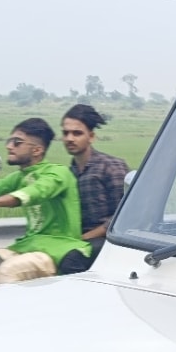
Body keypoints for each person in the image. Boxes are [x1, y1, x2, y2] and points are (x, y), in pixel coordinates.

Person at [0, 118, 87, 283]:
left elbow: (34, 192)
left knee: (7, 272)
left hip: (57, 249)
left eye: (17, 142)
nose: (9, 146)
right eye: (9, 141)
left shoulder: (58, 173)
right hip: (29, 246)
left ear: (37, 150)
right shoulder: (19, 176)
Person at [61, 104, 129, 255]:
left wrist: (84, 238)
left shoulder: (111, 167)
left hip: (110, 241)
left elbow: (124, 216)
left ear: (91, 137)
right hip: (81, 241)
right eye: (65, 133)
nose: (69, 138)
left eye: (77, 133)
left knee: (72, 257)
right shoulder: (67, 173)